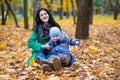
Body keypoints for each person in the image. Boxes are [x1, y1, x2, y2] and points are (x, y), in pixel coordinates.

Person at [26, 8, 62, 73]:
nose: (44, 16)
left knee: (52, 57)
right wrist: (43, 46)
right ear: (39, 18)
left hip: (51, 51)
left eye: (45, 14)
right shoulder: (37, 28)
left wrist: (53, 45)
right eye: (41, 15)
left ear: (48, 15)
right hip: (40, 51)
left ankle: (48, 65)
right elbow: (30, 43)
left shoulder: (55, 27)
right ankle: (48, 65)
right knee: (40, 57)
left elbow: (62, 40)